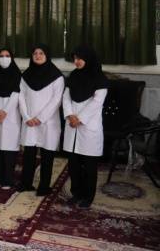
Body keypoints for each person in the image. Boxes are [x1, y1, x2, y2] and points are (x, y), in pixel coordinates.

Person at [62, 45, 108, 209]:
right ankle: (76, 193)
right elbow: (66, 97)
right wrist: (70, 115)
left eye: (80, 58)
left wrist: (79, 119)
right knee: (73, 164)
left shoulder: (100, 78)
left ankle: (88, 197)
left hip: (88, 126)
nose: (77, 61)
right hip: (72, 124)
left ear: (89, 58)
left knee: (89, 166)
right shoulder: (73, 76)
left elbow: (97, 102)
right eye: (75, 58)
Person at [18, 44, 64, 196]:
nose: (37, 56)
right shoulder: (25, 76)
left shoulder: (57, 77)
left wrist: (40, 118)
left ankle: (43, 187)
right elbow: (21, 97)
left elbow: (56, 100)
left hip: (48, 122)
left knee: (47, 155)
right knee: (29, 154)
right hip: (29, 121)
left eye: (41, 53)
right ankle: (26, 183)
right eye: (35, 53)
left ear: (47, 56)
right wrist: (26, 117)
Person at [0, 48, 22, 190]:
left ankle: (8, 180)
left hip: (11, 116)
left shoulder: (17, 75)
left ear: (12, 58)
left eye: (7, 56)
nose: (4, 58)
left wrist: (4, 111)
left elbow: (16, 95)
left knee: (9, 148)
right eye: (1, 56)